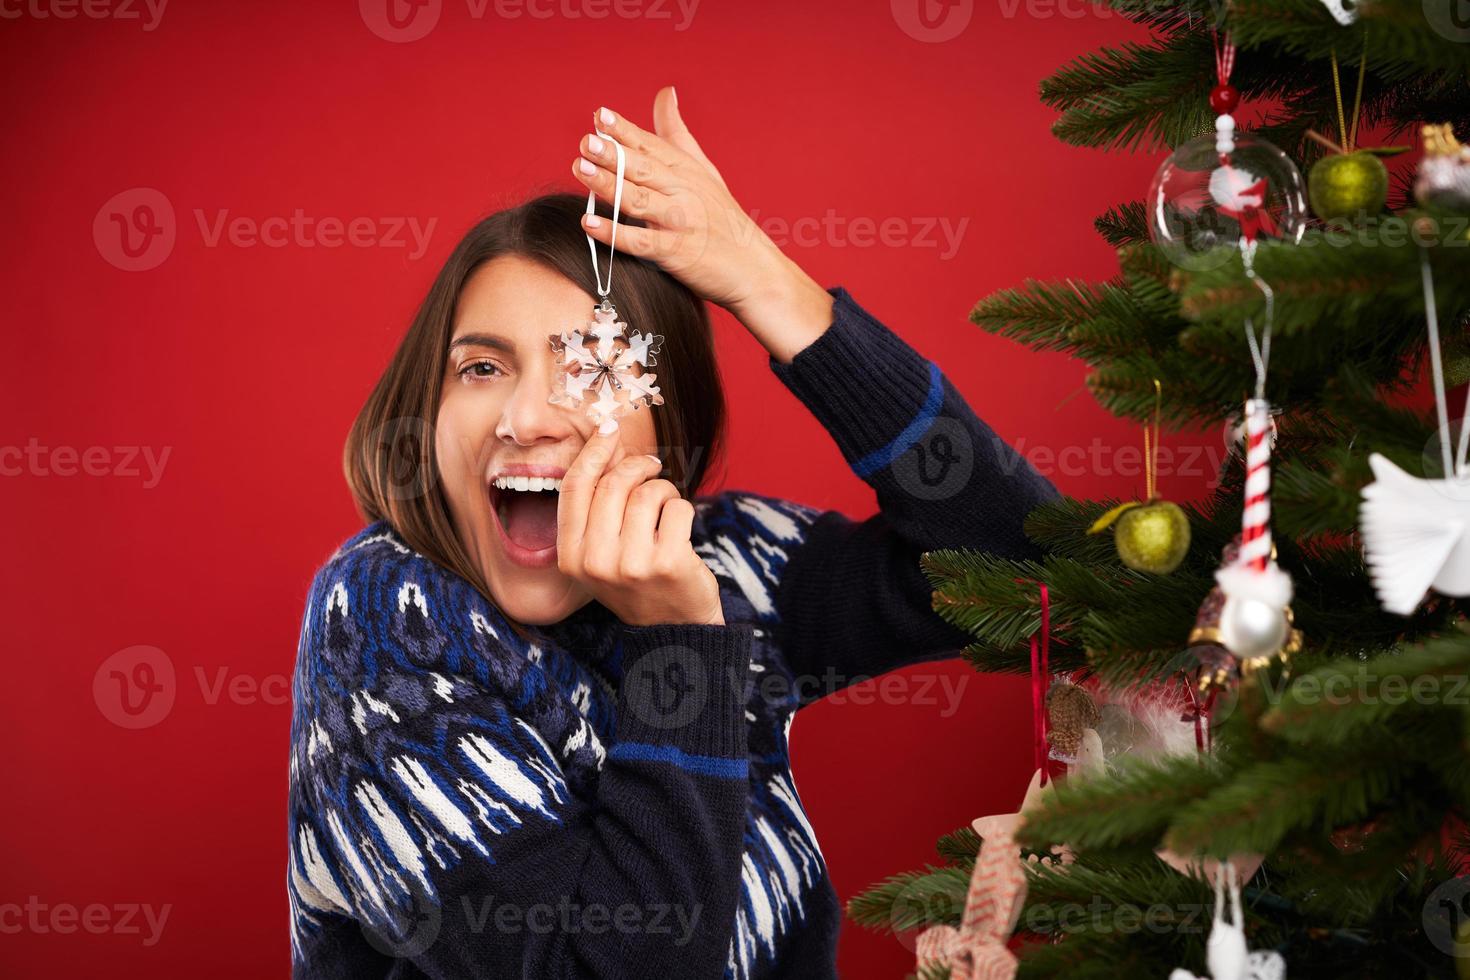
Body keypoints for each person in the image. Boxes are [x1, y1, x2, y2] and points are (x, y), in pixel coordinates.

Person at [286, 87, 1058, 979]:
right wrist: (681, 646)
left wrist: (765, 280)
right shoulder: (385, 615)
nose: (528, 415)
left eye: (591, 364)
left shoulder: (730, 561)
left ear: (671, 424)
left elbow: (1026, 572)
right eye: (483, 367)